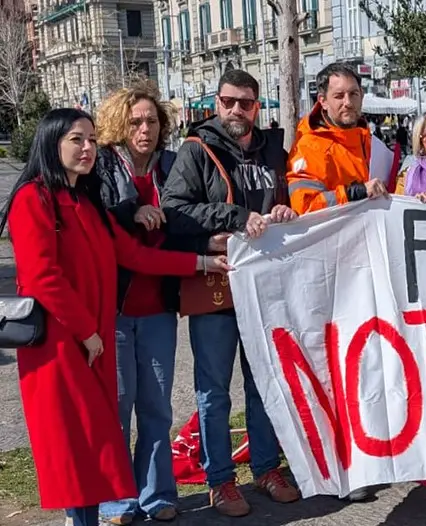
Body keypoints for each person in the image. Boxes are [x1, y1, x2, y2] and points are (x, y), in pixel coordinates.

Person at [2, 108, 228, 526]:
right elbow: (42, 277)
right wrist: (88, 332)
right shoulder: (33, 198)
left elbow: (136, 256)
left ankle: (89, 517)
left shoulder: (86, 202)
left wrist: (202, 263)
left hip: (92, 344)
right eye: (76, 140)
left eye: (91, 139)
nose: (88, 148)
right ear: (52, 144)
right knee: (76, 444)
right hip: (59, 346)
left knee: (93, 443)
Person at [162, 69, 302, 516]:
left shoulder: (272, 150)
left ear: (258, 106)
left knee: (264, 382)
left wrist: (284, 208)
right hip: (216, 286)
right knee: (213, 390)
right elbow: (173, 210)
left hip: (264, 287)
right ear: (216, 103)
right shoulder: (195, 149)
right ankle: (220, 480)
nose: (237, 111)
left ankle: (265, 466)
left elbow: (288, 203)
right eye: (228, 102)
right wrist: (232, 218)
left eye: (246, 103)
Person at [92, 82, 183, 524]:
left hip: (159, 306)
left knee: (157, 407)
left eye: (151, 121)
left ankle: (157, 494)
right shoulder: (105, 167)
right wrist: (133, 211)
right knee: (119, 404)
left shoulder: (171, 166)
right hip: (115, 306)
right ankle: (117, 500)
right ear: (120, 125)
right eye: (135, 122)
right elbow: (103, 214)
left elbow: (186, 214)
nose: (144, 129)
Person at [287, 63, 389, 215]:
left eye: (353, 94)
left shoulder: (371, 142)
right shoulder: (308, 147)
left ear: (361, 94)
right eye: (339, 96)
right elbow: (305, 206)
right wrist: (356, 192)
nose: (348, 103)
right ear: (323, 101)